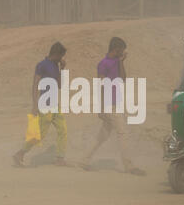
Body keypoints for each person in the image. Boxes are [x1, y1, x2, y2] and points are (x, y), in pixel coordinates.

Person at [80, 37, 146, 176]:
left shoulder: (117, 62)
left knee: (102, 135)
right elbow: (101, 86)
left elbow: (123, 79)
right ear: (116, 49)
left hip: (116, 103)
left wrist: (121, 62)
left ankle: (83, 161)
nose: (123, 52)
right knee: (123, 133)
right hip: (110, 105)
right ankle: (129, 166)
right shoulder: (103, 64)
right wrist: (101, 108)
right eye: (121, 50)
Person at [13, 42, 68, 167]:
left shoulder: (55, 65)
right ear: (56, 54)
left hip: (55, 105)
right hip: (45, 104)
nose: (62, 58)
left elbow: (59, 86)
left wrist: (62, 69)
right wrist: (34, 104)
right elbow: (35, 84)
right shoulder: (42, 65)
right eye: (61, 56)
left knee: (63, 130)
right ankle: (20, 153)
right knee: (40, 134)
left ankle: (60, 158)